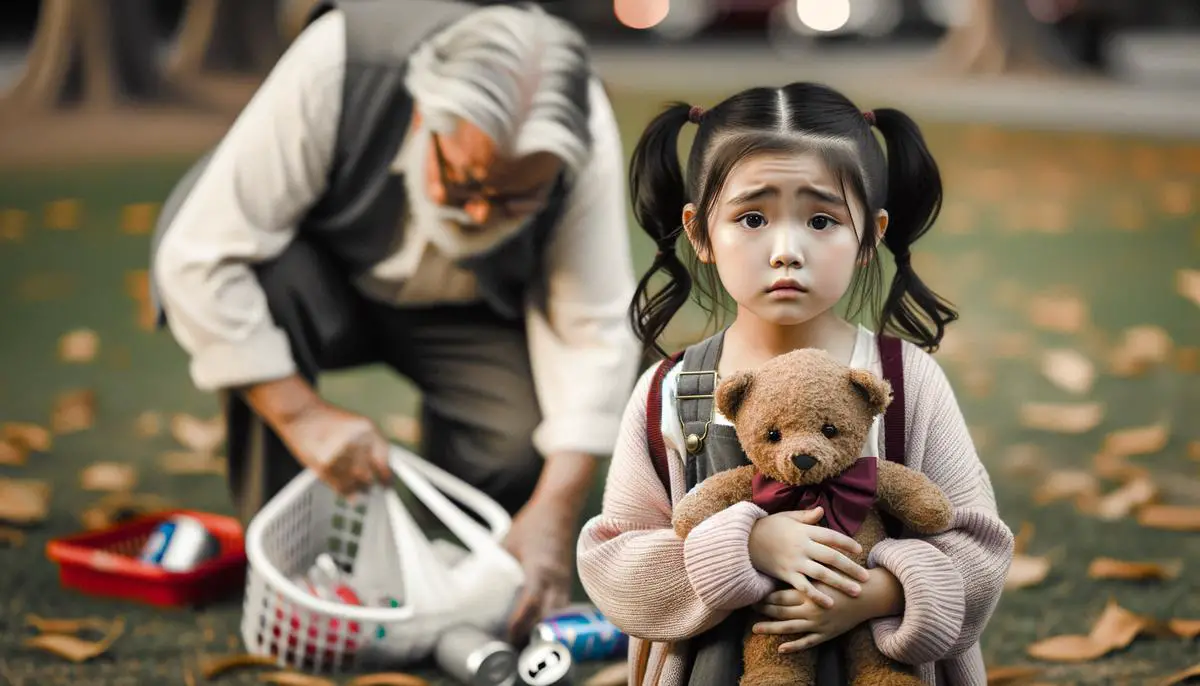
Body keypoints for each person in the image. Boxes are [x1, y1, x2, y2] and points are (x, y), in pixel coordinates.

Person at [150, 0, 640, 642]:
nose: (479, 215)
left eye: (516, 197)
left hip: (470, 310)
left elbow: (596, 326)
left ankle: (456, 543)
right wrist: (299, 413)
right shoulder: (341, 61)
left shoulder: (584, 127)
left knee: (516, 443)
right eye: (463, 182)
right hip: (320, 281)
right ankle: (292, 567)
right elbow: (202, 256)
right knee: (262, 291)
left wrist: (556, 504)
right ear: (421, 116)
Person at [577, 82, 1014, 685]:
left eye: (821, 219)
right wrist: (743, 550)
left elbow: (980, 550)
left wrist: (881, 591)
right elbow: (614, 562)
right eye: (752, 218)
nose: (786, 250)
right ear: (700, 232)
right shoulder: (671, 390)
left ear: (870, 236)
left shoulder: (906, 381)